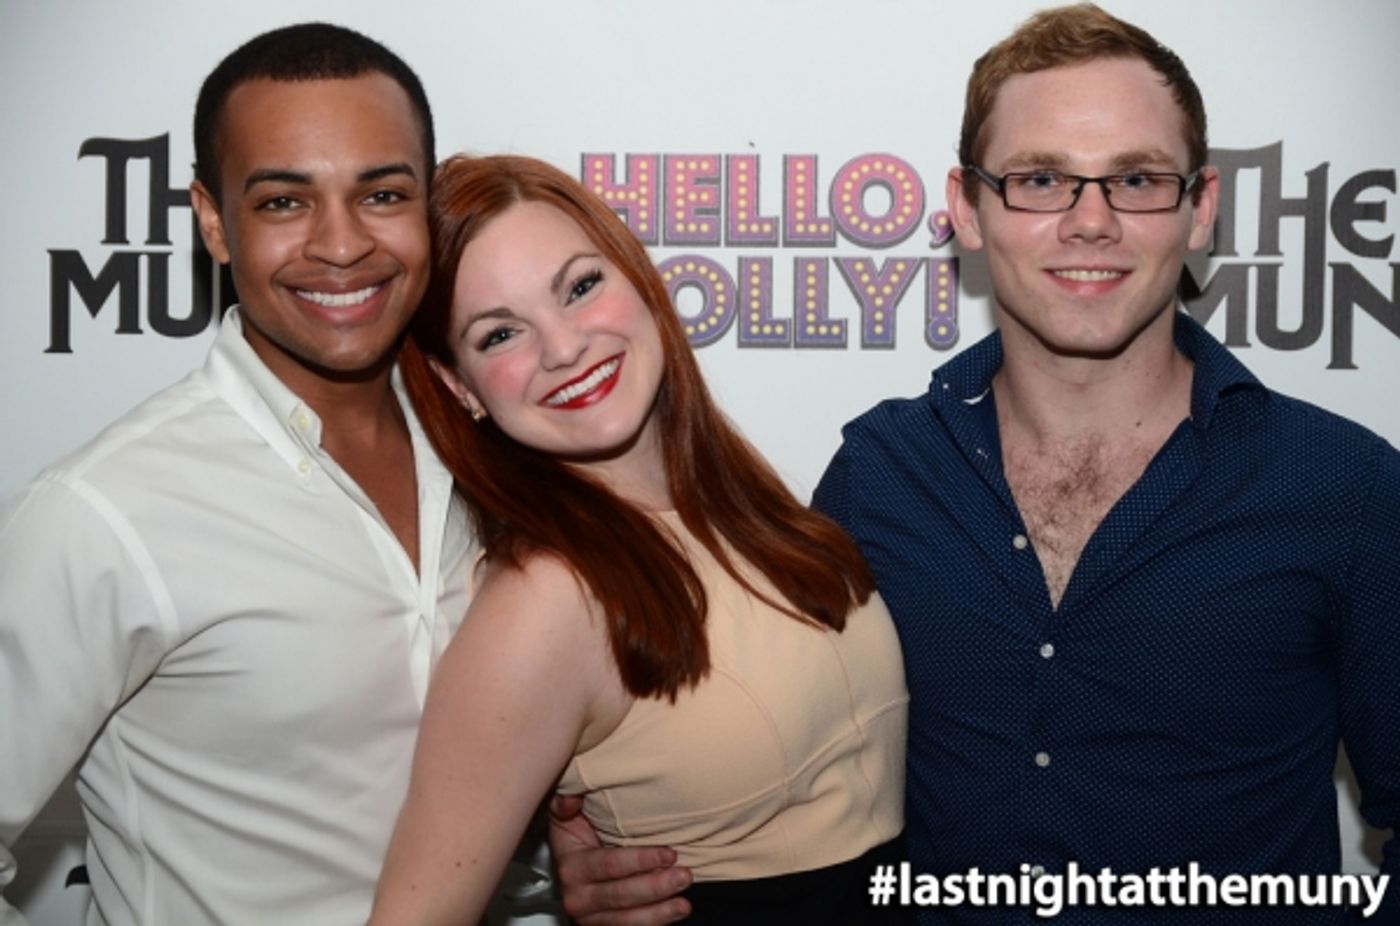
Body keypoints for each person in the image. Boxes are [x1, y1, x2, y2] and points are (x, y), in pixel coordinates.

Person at [549, 4, 1400, 924]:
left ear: (1200, 209)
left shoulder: (1342, 490)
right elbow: (787, 781)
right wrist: (621, 863)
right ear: (966, 208)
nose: (1091, 223)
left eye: (1138, 179)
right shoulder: (879, 474)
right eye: (1040, 179)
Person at [0, 24, 475, 925]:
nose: (341, 246)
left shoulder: (499, 462)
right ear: (214, 222)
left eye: (381, 193)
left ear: (427, 209)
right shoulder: (103, 512)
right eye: (284, 203)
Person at [364, 154, 910, 926]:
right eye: (500, 334)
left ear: (637, 280)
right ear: (460, 387)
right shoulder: (541, 604)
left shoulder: (750, 512)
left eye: (581, 287)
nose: (563, 347)